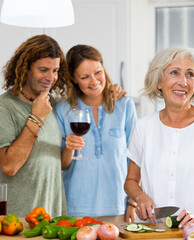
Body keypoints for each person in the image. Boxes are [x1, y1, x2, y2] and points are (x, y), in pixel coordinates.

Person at [0, 35, 125, 218]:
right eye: (43, 70)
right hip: (17, 220)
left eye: (56, 70)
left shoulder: (53, 105)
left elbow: (58, 162)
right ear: (24, 68)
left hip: (53, 217)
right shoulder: (2, 107)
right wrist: (35, 118)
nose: (51, 78)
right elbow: (9, 166)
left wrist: (111, 90)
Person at [124, 46, 194, 227]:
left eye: (190, 74)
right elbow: (131, 181)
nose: (183, 82)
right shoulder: (144, 127)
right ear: (158, 82)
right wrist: (140, 197)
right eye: (174, 72)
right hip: (155, 232)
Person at [55, 44, 137, 219]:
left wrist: (133, 201)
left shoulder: (124, 105)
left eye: (98, 72)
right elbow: (61, 165)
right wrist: (69, 147)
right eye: (85, 77)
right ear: (74, 79)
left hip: (118, 206)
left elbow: (136, 158)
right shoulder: (63, 110)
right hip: (77, 208)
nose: (94, 81)